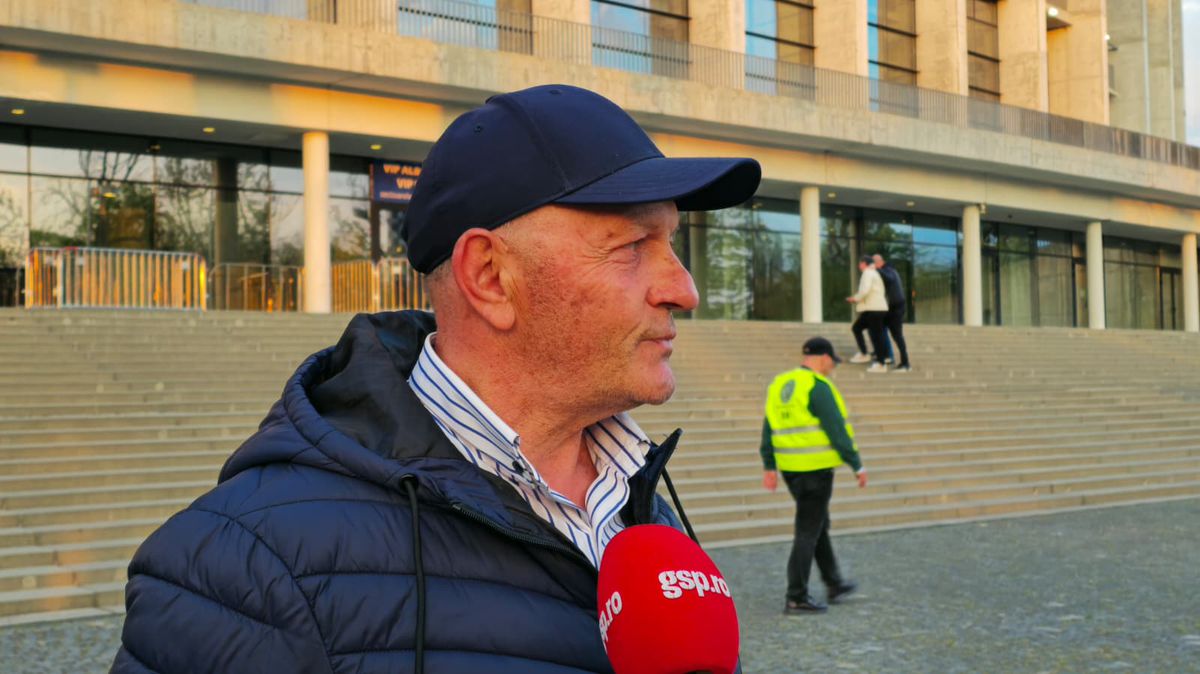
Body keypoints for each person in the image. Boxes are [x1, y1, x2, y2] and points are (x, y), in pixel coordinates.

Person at [109, 85, 761, 674]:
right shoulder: (247, 571)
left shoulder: (640, 512)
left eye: (672, 245)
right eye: (633, 247)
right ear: (490, 277)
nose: (685, 289)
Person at [760, 337, 867, 614]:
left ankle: (834, 582)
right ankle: (796, 596)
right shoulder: (817, 386)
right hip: (816, 470)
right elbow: (836, 429)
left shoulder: (780, 383)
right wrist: (856, 464)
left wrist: (769, 464)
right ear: (824, 357)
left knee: (818, 523)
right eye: (833, 362)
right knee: (807, 531)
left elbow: (769, 426)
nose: (832, 367)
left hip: (791, 469)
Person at [847, 255, 889, 373]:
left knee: (875, 336)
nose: (859, 266)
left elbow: (864, 290)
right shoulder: (874, 273)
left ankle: (880, 364)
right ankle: (865, 354)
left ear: (864, 263)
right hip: (877, 308)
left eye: (860, 263)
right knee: (857, 328)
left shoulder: (867, 273)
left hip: (874, 309)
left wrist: (855, 298)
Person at [872, 253, 912, 372]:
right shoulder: (886, 270)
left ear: (879, 262)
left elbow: (889, 278)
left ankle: (905, 363)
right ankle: (886, 355)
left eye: (873, 264)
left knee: (897, 336)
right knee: (878, 328)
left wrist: (877, 269)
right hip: (890, 308)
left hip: (896, 308)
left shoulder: (889, 269)